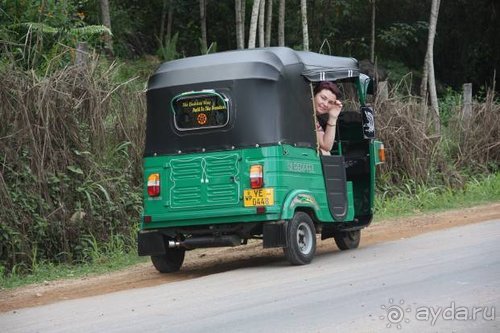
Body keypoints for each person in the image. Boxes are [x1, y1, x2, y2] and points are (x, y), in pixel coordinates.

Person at [313, 81, 342, 155]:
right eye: (323, 98)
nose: (325, 104)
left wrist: (333, 117)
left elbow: (326, 146)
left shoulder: (313, 117)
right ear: (313, 95)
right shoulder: (303, 112)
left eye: (330, 102)